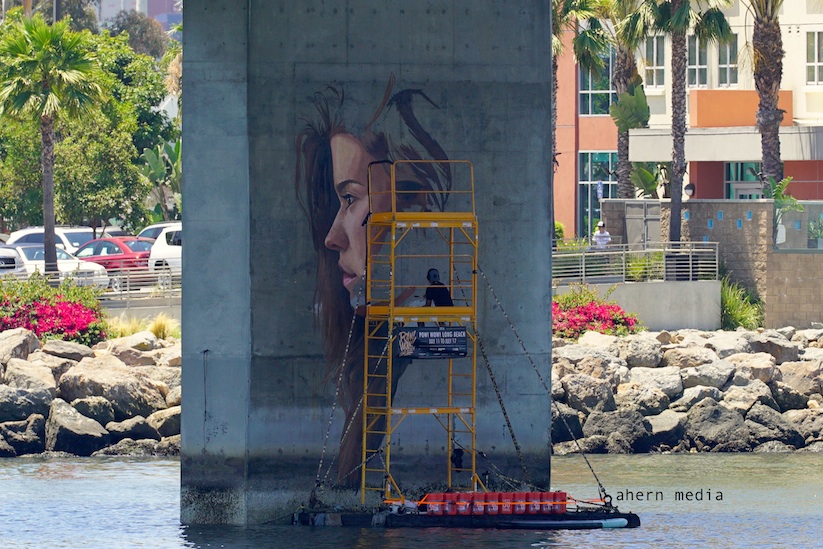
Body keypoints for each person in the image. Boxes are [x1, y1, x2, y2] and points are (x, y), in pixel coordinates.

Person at [295, 76, 452, 487]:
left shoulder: (416, 303)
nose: (331, 237)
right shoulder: (374, 322)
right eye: (337, 202)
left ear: (410, 196)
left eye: (350, 199)